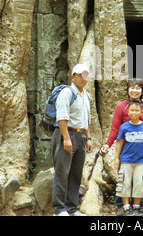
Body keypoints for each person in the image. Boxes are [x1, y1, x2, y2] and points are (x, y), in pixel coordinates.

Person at [100, 78, 143, 215]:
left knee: (139, 179)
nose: (134, 90)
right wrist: (107, 144)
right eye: (132, 87)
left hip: (141, 150)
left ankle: (139, 206)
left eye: (138, 88)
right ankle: (123, 206)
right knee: (124, 179)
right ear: (127, 89)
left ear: (142, 91)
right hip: (126, 149)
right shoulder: (121, 107)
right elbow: (115, 129)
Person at [52, 64, 93, 216]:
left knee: (76, 173)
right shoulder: (66, 93)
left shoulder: (86, 95)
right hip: (66, 135)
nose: (84, 78)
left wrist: (88, 138)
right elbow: (62, 117)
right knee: (62, 173)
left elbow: (86, 119)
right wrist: (66, 139)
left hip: (81, 136)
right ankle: (59, 209)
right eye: (80, 75)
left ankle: (71, 208)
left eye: (86, 75)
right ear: (73, 76)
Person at [114, 101, 143, 216]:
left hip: (140, 161)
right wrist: (116, 158)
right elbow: (120, 143)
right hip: (125, 160)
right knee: (124, 183)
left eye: (137, 110)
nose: (134, 112)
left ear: (141, 112)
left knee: (139, 184)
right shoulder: (124, 126)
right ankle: (126, 208)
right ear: (128, 112)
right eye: (132, 110)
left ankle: (136, 207)